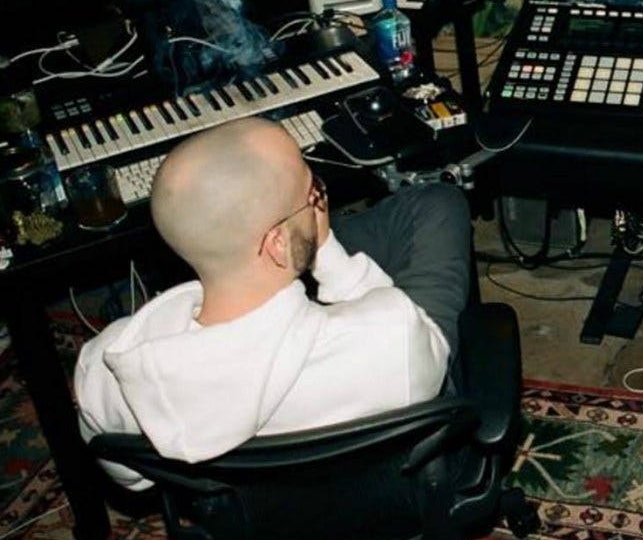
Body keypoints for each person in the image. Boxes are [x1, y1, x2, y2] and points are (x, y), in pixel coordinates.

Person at [74, 116, 471, 489]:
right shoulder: (391, 334)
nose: (319, 202)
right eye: (311, 191)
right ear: (278, 243)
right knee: (439, 206)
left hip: (246, 523)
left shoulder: (104, 368)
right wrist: (332, 260)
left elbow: (128, 474)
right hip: (390, 495)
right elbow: (428, 346)